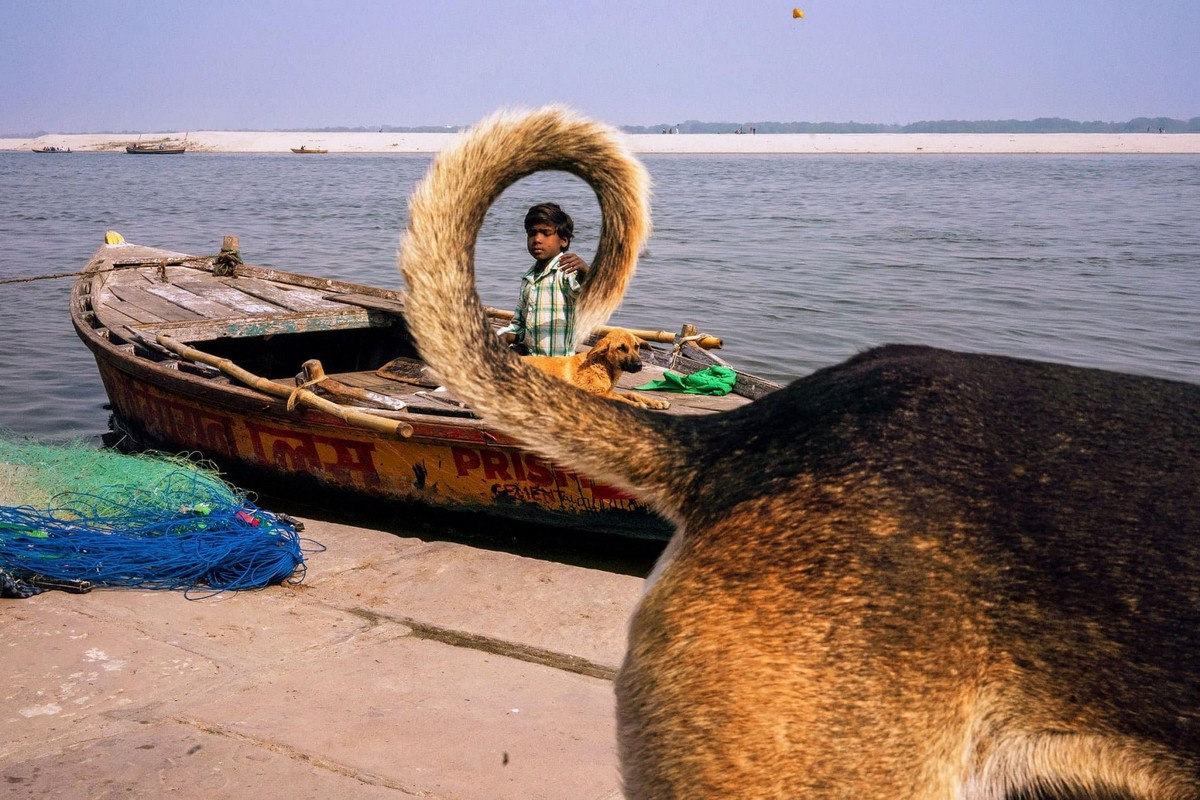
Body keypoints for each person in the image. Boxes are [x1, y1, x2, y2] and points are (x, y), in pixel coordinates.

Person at [497, 202, 591, 357]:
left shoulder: (567, 270)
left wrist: (585, 272)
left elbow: (589, 296)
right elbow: (519, 324)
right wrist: (506, 336)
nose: (537, 239)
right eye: (532, 233)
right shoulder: (529, 278)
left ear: (564, 241)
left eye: (546, 233)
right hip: (532, 363)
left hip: (559, 367)